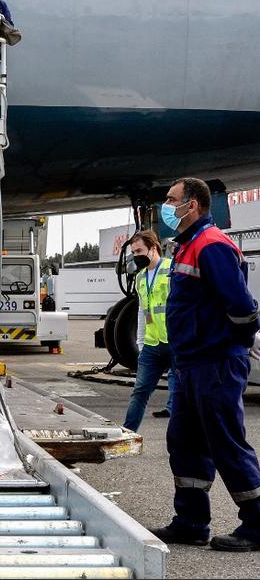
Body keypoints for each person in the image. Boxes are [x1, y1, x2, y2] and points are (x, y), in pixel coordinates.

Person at [150, 177, 260, 551]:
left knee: (226, 442)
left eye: (172, 199)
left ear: (192, 204)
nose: (166, 205)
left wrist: (234, 347)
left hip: (215, 362)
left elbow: (243, 308)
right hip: (191, 364)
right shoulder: (186, 247)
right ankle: (192, 522)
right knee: (184, 442)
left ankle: (257, 524)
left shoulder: (210, 245)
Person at [122, 230, 176, 432]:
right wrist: (141, 343)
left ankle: (181, 440)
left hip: (174, 343)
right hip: (152, 345)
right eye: (133, 253)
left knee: (178, 394)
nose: (136, 256)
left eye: (139, 251)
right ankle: (128, 434)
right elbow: (142, 311)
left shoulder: (172, 270)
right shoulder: (141, 277)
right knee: (140, 392)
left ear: (153, 248)